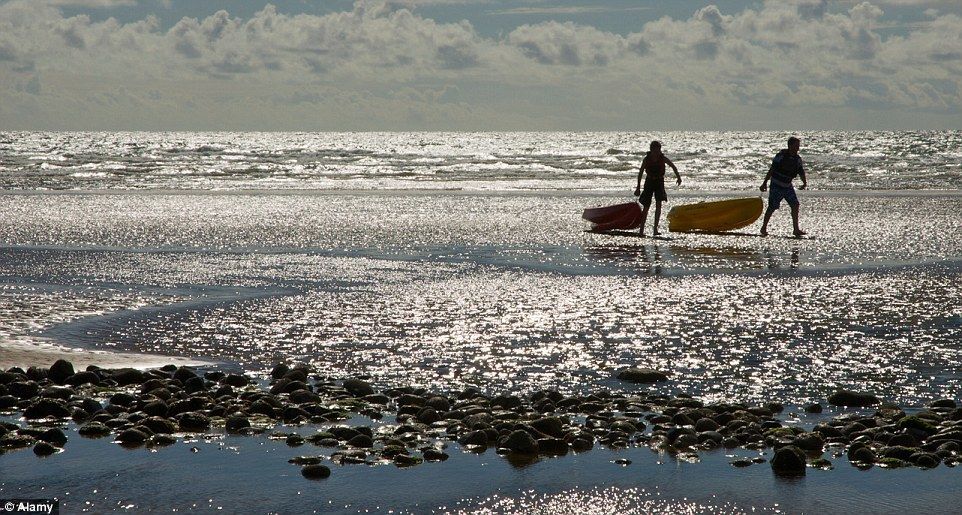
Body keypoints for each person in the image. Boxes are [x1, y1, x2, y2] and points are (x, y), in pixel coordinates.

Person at [759, 136, 807, 237]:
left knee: (795, 205)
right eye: (795, 146)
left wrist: (804, 182)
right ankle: (763, 228)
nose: (797, 148)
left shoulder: (797, 159)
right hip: (776, 185)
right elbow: (772, 170)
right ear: (789, 146)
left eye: (798, 146)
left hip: (787, 186)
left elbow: (801, 171)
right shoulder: (780, 156)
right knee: (772, 207)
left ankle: (796, 229)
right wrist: (764, 183)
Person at [633, 140, 681, 236]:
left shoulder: (662, 158)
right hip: (649, 182)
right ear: (651, 150)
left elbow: (673, 166)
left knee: (659, 204)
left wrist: (678, 177)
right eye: (656, 150)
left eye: (659, 150)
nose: (657, 152)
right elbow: (641, 173)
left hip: (659, 182)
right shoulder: (646, 159)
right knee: (646, 206)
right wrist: (638, 187)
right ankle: (641, 231)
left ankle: (655, 230)